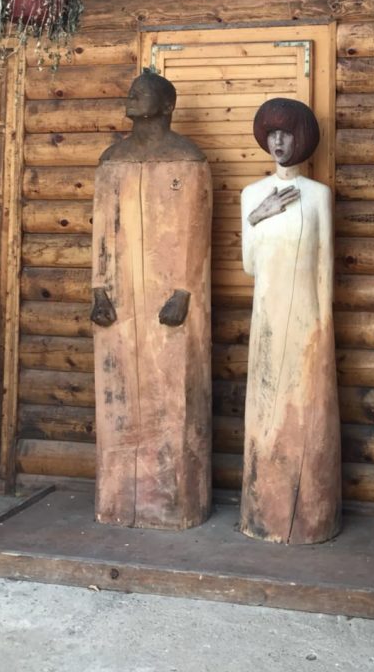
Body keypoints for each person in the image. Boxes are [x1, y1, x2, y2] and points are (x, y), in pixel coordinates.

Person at [91, 69, 212, 529]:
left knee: (173, 394)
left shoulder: (188, 158)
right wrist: (99, 287)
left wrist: (184, 289)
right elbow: (102, 229)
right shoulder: (112, 159)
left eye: (143, 92)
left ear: (167, 105)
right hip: (119, 301)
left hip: (171, 299)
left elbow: (195, 232)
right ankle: (119, 500)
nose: (133, 95)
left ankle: (176, 502)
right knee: (118, 395)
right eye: (132, 91)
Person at [240, 98, 341, 544]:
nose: (278, 141)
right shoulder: (251, 196)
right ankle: (263, 509)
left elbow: (325, 270)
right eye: (271, 133)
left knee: (307, 411)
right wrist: (259, 218)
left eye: (286, 133)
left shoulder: (319, 196)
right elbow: (248, 265)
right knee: (266, 410)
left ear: (302, 138)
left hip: (307, 322)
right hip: (266, 315)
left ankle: (309, 514)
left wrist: (321, 328)